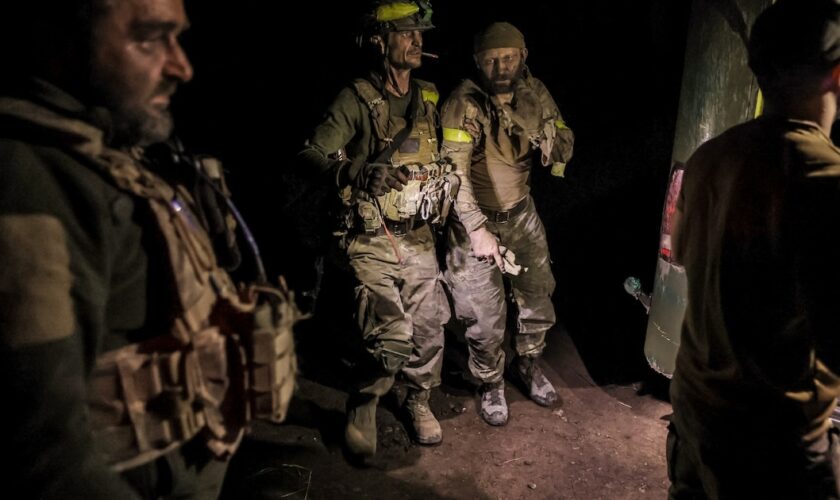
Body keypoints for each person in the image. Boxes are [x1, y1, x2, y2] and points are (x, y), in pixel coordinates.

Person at [0, 0, 296, 498]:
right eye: (149, 38)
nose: (182, 66)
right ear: (60, 42)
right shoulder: (28, 186)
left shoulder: (106, 153)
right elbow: (43, 458)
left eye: (177, 37)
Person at [668, 0, 840, 497]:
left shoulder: (708, 158)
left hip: (697, 416)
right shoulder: (826, 179)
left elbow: (681, 253)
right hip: (773, 445)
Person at [297, 1, 452, 457]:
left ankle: (418, 400)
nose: (417, 41)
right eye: (406, 33)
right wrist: (356, 172)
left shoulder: (428, 96)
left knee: (428, 328)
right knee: (389, 336)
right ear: (379, 41)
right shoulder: (356, 99)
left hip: (420, 235)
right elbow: (309, 156)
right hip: (371, 237)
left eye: (421, 33)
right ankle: (365, 400)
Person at [440, 22, 574, 426]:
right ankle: (490, 380)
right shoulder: (464, 103)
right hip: (475, 223)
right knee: (483, 314)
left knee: (537, 295)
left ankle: (528, 363)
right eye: (492, 59)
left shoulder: (535, 92)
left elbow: (563, 134)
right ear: (479, 62)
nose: (502, 66)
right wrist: (478, 231)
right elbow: (454, 175)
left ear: (523, 56)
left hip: (522, 215)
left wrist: (556, 141)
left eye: (510, 57)